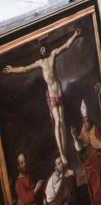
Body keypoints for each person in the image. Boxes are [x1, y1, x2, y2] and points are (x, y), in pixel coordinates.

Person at [3, 30, 79, 163]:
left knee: (62, 122)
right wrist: (12, 70)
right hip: (52, 94)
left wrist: (74, 35)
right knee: (57, 122)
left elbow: (66, 46)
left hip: (59, 91)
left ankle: (65, 152)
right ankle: (62, 154)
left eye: (44, 48)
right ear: (40, 51)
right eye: (41, 49)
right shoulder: (40, 63)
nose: (43, 50)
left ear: (47, 49)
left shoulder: (53, 55)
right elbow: (25, 69)